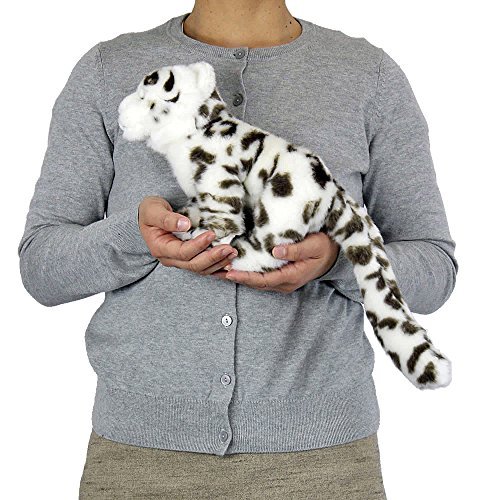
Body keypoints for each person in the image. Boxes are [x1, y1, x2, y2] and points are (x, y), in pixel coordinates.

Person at [18, 1, 458, 498]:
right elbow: (41, 266)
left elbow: (435, 270)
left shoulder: (368, 76)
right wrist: (135, 236)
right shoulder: (106, 69)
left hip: (324, 465)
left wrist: (335, 261)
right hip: (139, 462)